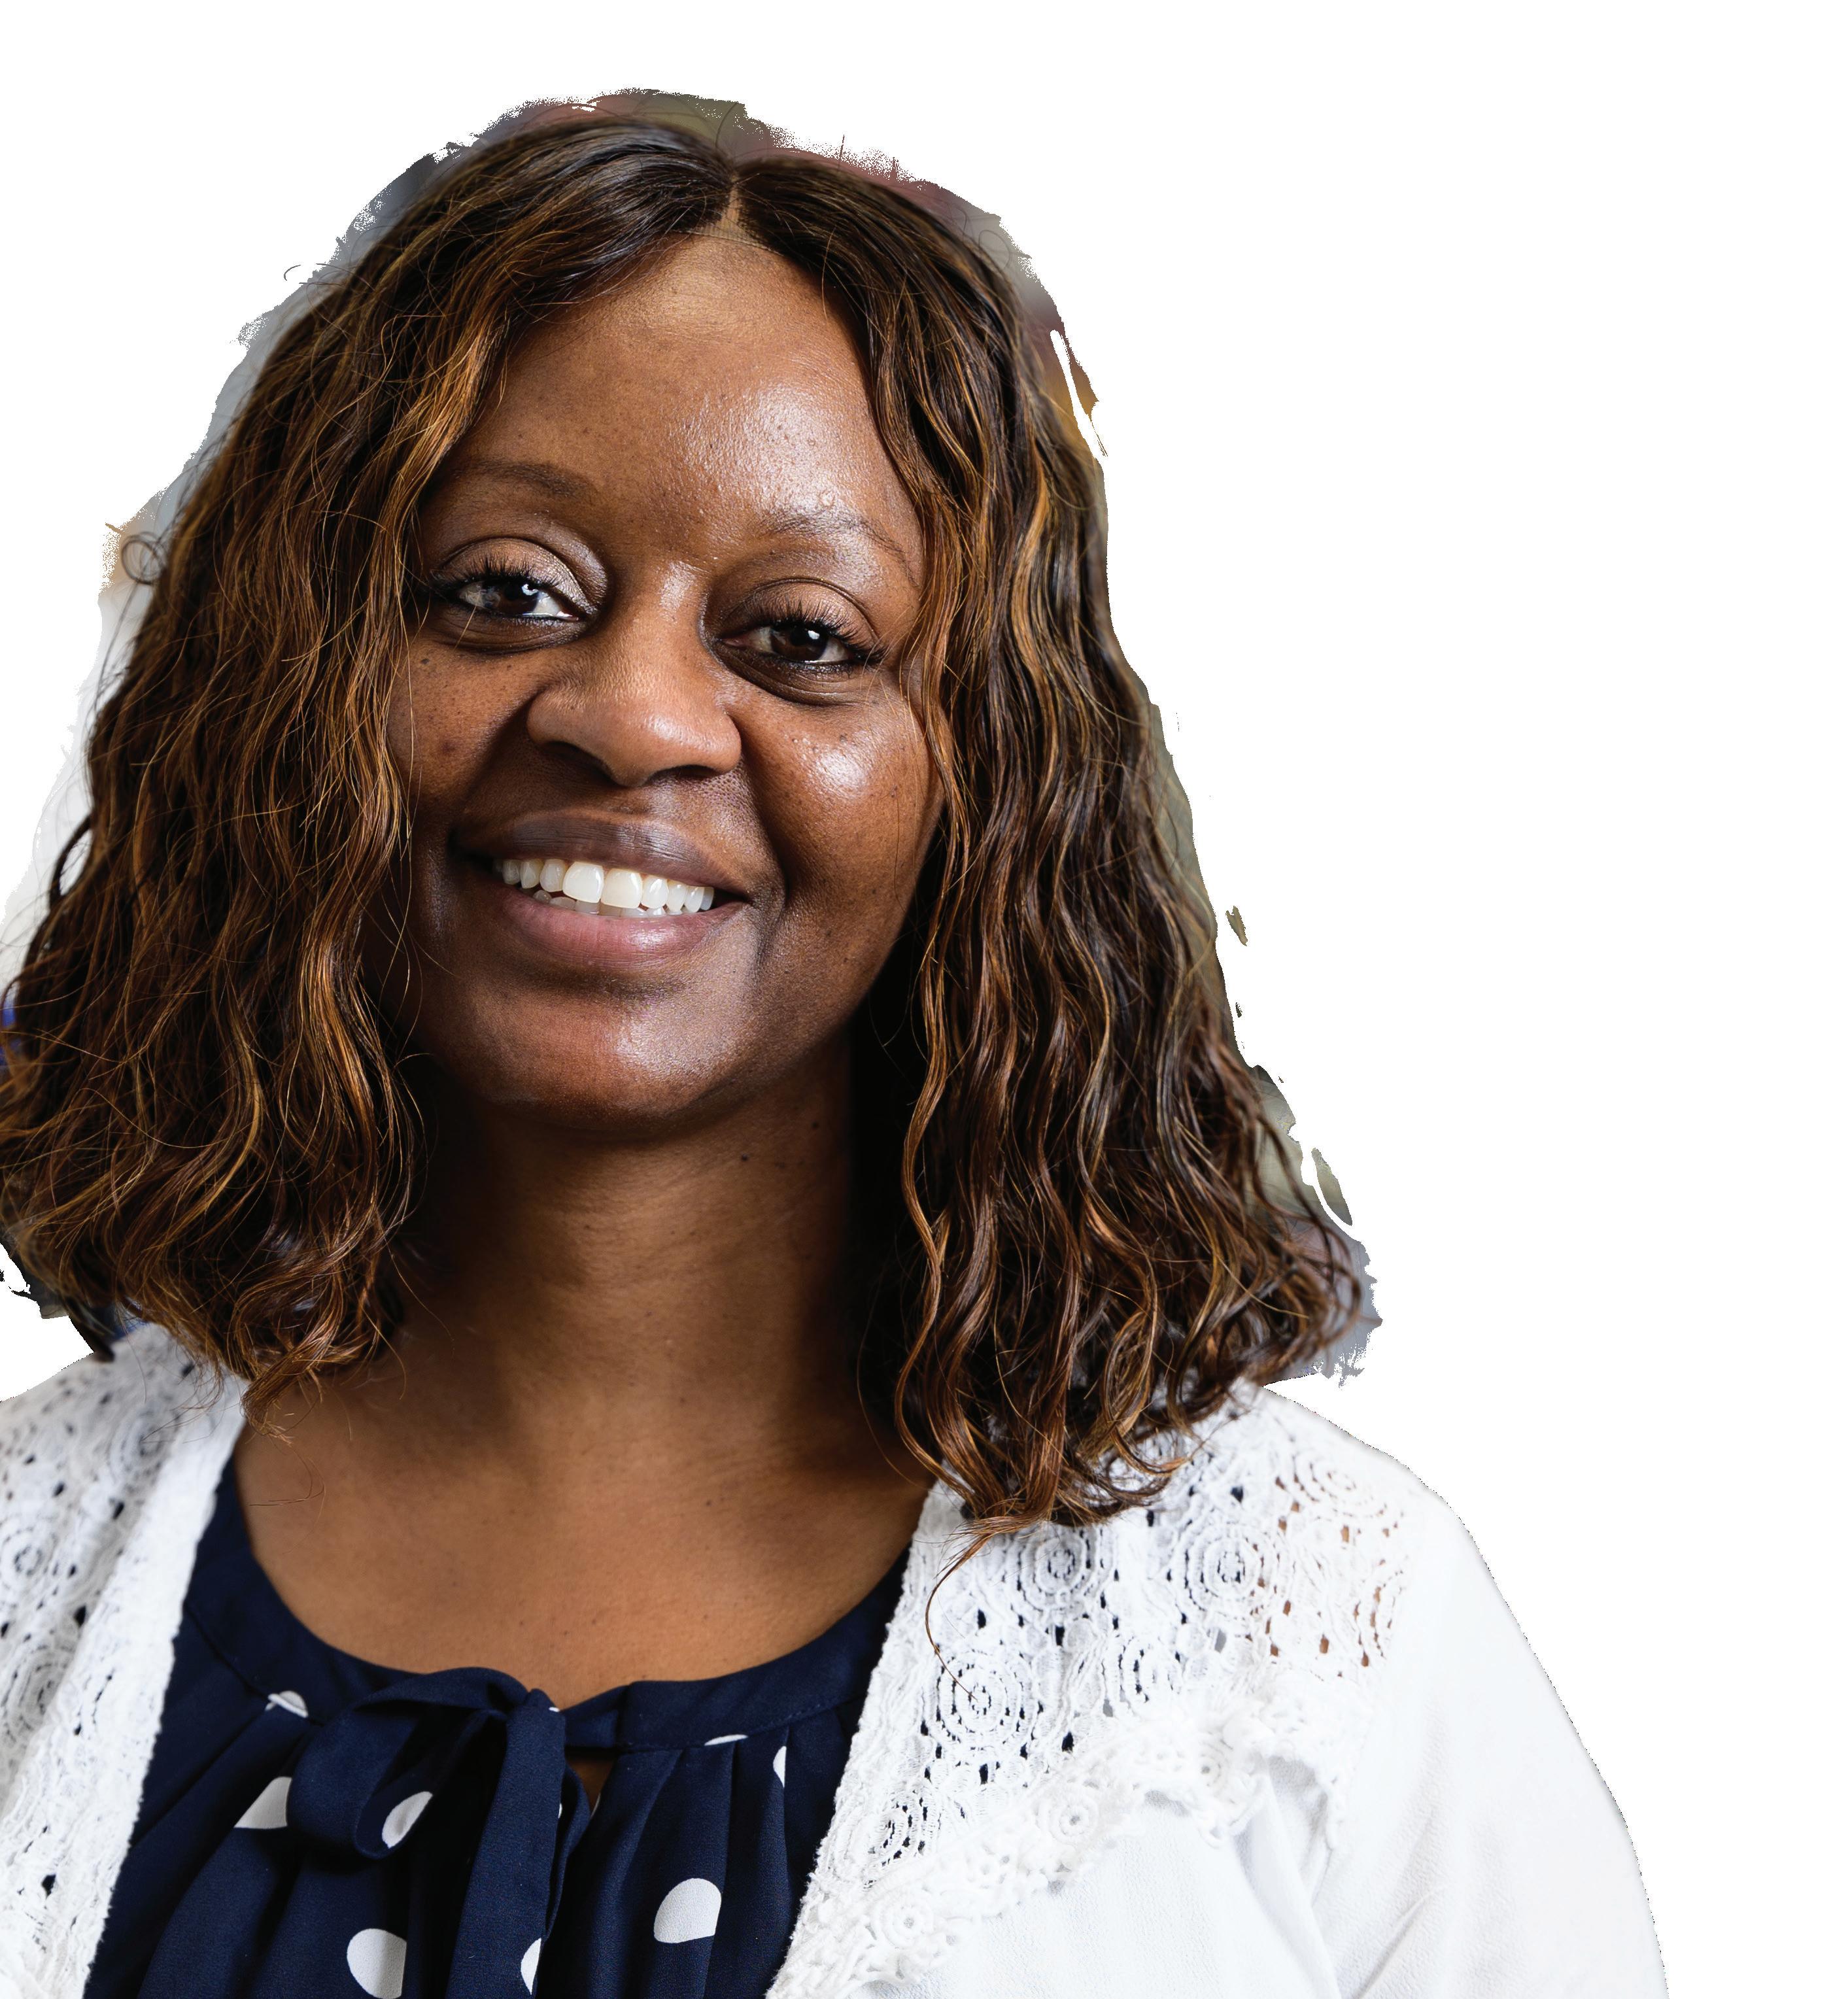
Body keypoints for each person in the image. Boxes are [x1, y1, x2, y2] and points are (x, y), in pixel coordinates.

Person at [0, 97, 1666, 1998]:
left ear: (988, 779)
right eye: (504, 591)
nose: (636, 716)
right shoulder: (22, 1570)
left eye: (801, 636)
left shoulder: (1320, 1646)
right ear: (292, 684)